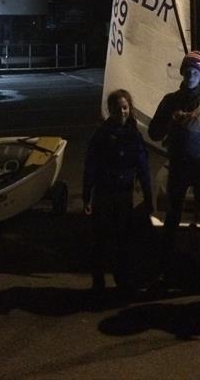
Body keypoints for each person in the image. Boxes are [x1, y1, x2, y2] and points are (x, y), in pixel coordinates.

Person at [148, 50, 200, 289]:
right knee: (171, 220)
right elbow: (154, 133)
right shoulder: (170, 101)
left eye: (195, 71)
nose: (190, 75)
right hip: (177, 167)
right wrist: (170, 121)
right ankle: (165, 271)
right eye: (186, 70)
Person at [83, 89, 152, 295]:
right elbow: (91, 165)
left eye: (125, 108)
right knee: (100, 240)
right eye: (117, 108)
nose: (121, 112)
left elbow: (142, 166)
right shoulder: (101, 135)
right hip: (104, 193)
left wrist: (148, 196)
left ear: (130, 109)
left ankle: (122, 281)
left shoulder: (134, 135)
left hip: (124, 194)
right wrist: (87, 194)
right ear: (110, 110)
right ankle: (98, 282)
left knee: (123, 239)